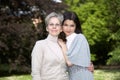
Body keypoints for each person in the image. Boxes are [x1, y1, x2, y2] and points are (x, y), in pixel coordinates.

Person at [31, 12, 69, 80]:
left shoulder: (64, 46)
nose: (54, 27)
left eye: (57, 24)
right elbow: (35, 72)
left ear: (61, 29)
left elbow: (69, 66)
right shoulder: (40, 45)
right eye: (51, 24)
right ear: (47, 28)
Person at [58, 11, 94, 80]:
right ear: (61, 25)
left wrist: (63, 46)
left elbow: (70, 63)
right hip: (71, 76)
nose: (68, 29)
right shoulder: (61, 40)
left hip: (82, 76)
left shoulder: (80, 38)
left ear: (76, 26)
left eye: (72, 25)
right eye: (66, 25)